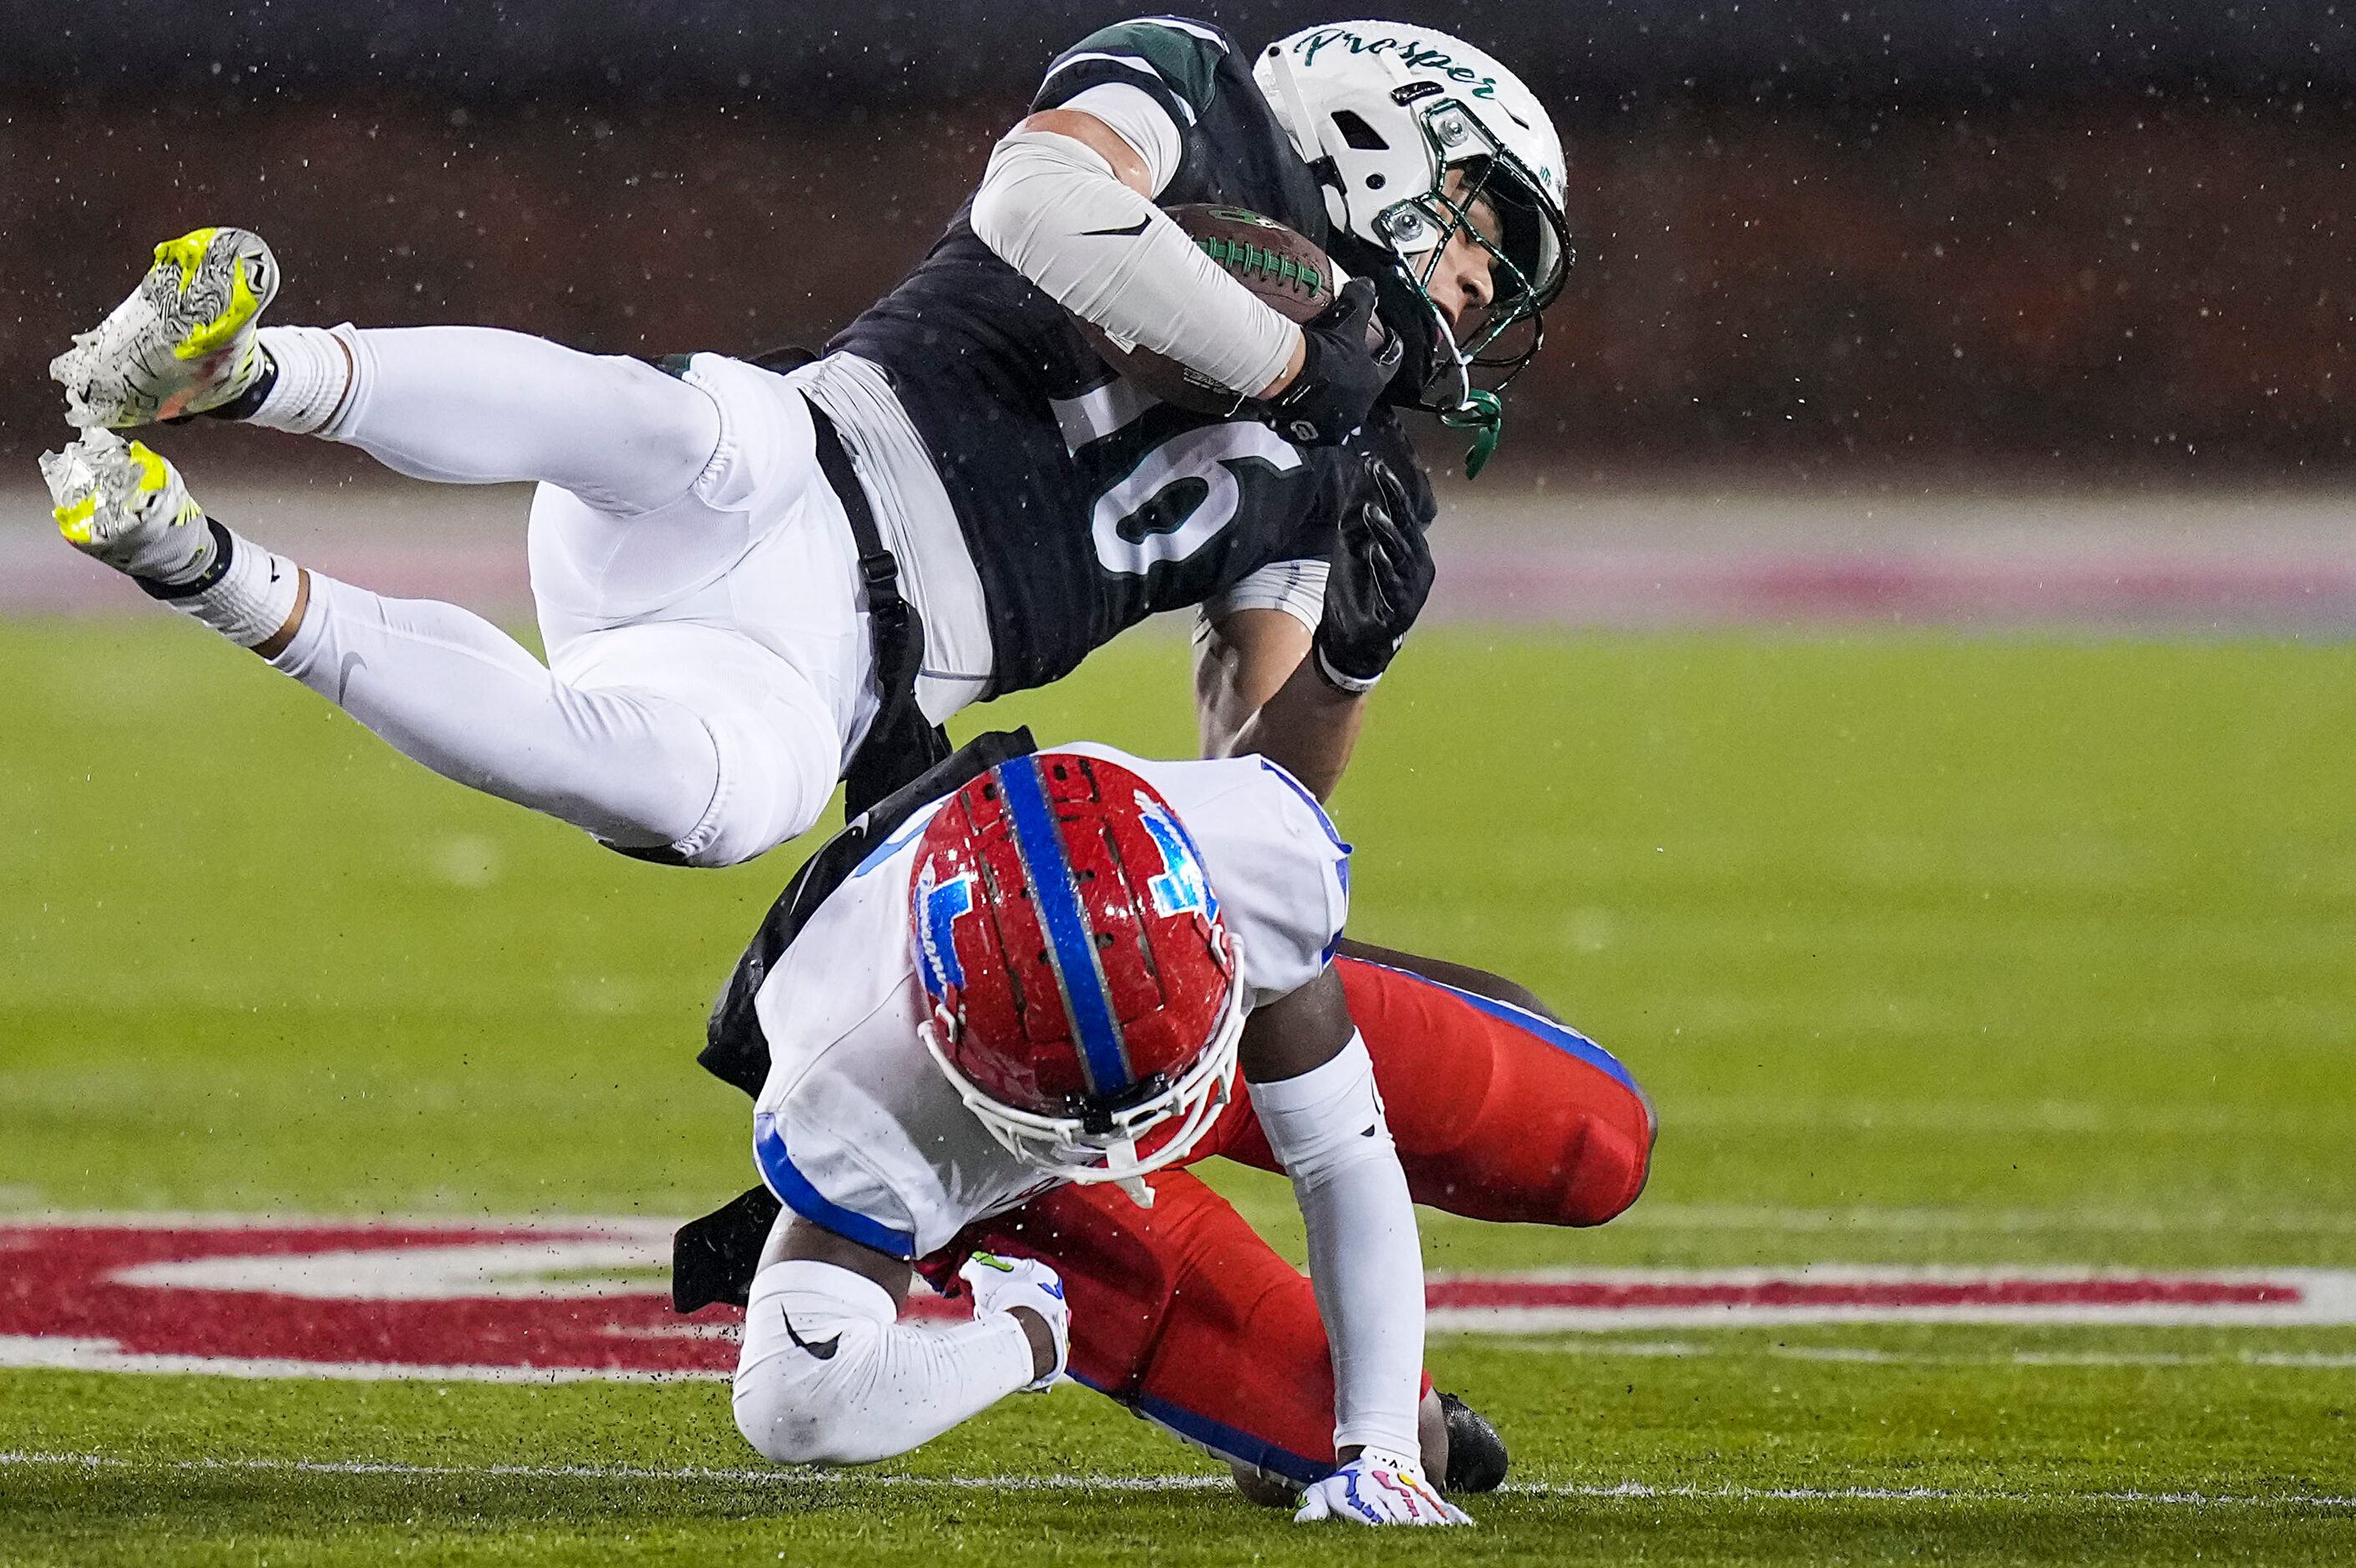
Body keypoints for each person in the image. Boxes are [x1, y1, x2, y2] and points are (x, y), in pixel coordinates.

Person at [43, 18, 1571, 862]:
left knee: (714, 804)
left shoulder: (1349, 475)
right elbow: (1037, 204)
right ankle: (238, 371)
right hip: (802, 472)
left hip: (834, 682)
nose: (1477, 290)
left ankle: (201, 562)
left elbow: (1261, 800)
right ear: (1389, 133)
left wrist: (1351, 668)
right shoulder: (1197, 90)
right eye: (1483, 236)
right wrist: (1289, 360)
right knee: (692, 428)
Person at [682, 731, 1653, 1520]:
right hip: (1017, 1165)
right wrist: (1025, 1334)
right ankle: (1051, 1284)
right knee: (1367, 1436)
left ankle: (1210, 1058)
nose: (1127, 1137)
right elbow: (795, 1401)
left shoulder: (1242, 860)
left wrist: (1379, 1454)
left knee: (1596, 1143)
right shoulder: (853, 1076)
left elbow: (1336, 1148)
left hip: (1206, 1033)